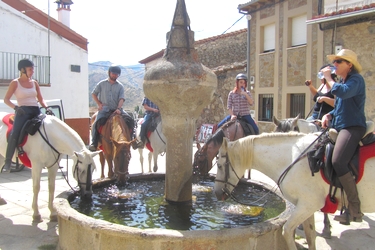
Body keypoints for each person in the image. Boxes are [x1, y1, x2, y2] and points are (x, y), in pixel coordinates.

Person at [321, 49, 366, 225]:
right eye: (335, 61)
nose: (335, 64)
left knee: (338, 161)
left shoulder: (356, 80)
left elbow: (343, 93)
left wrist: (329, 79)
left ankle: (354, 208)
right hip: (340, 125)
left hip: (353, 127)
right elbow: (340, 105)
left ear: (349, 65)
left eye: (339, 61)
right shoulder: (343, 81)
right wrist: (329, 115)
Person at [1, 59, 51, 173]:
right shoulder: (15, 83)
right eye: (30, 69)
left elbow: (40, 98)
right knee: (15, 132)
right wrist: (16, 108)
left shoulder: (35, 83)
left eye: (33, 68)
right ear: (22, 70)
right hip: (22, 111)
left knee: (46, 128)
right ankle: (8, 161)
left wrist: (47, 108)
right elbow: (6, 99)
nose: (32, 71)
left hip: (36, 110)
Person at [89, 65, 135, 151]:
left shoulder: (120, 86)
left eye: (117, 74)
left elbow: (121, 98)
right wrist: (99, 104)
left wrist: (118, 108)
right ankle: (94, 142)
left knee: (130, 120)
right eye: (113, 73)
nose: (115, 75)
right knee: (95, 123)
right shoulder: (101, 84)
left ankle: (132, 140)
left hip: (116, 109)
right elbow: (94, 94)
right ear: (109, 73)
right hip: (104, 109)